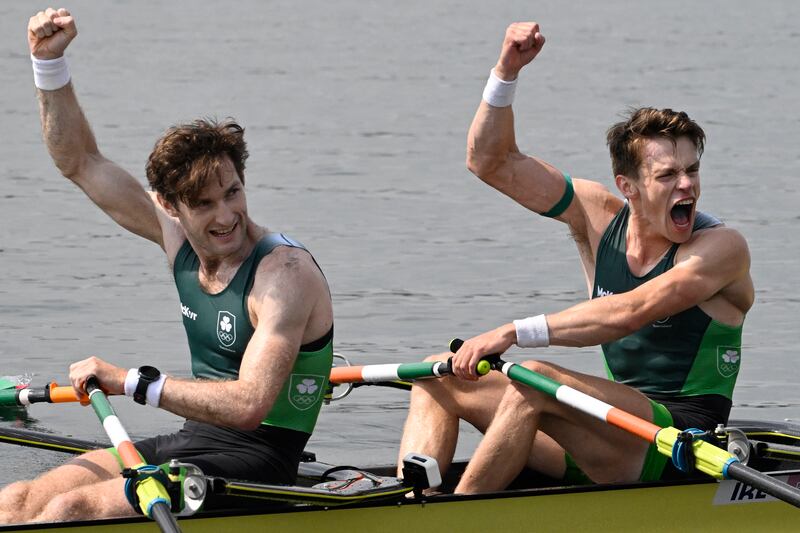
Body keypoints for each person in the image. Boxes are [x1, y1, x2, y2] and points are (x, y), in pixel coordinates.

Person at [0, 7, 334, 523]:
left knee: (71, 509)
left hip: (258, 460)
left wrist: (131, 381)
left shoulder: (284, 275)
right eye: (203, 205)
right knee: (17, 499)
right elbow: (80, 162)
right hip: (191, 440)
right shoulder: (173, 237)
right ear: (170, 206)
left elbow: (249, 405)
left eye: (233, 193)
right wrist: (49, 66)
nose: (226, 217)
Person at [398, 21, 753, 494]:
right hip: (598, 430)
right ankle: (407, 501)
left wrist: (510, 332)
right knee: (437, 373)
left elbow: (630, 311)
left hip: (677, 444)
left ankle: (456, 514)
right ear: (628, 187)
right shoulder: (596, 215)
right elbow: (491, 163)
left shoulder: (721, 248)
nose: (686, 184)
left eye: (691, 170)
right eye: (668, 175)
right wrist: (505, 73)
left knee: (536, 381)